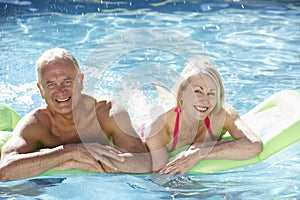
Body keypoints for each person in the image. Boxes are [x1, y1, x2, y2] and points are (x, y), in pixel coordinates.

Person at [0, 47, 151, 181]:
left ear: (81, 81)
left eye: (67, 81)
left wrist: (87, 163)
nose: (60, 91)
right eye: (51, 84)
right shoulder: (36, 124)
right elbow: (4, 171)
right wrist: (70, 152)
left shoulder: (107, 113)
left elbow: (145, 162)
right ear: (40, 90)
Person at [145, 56, 263, 175]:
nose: (205, 100)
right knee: (162, 100)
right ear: (182, 93)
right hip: (151, 119)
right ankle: (158, 86)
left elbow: (254, 146)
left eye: (211, 93)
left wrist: (198, 153)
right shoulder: (160, 126)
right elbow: (160, 177)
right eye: (197, 91)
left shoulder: (222, 114)